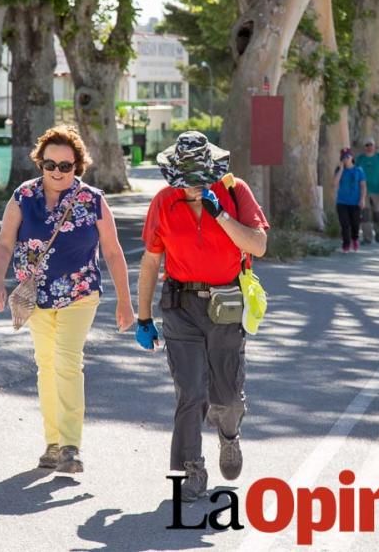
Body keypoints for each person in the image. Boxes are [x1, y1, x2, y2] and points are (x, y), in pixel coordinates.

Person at [0, 125, 135, 474]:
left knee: (67, 362)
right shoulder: (24, 196)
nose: (57, 171)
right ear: (40, 163)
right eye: (50, 163)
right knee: (46, 366)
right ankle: (52, 444)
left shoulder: (93, 200)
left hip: (79, 294)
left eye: (65, 166)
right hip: (35, 297)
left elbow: (113, 253)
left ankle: (70, 446)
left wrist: (125, 302)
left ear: (77, 166)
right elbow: (5, 242)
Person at [134, 132, 269, 502]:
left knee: (226, 398)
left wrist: (219, 213)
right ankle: (192, 469)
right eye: (184, 180)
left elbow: (257, 244)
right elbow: (150, 261)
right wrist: (142, 317)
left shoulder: (234, 190)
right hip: (180, 306)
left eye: (198, 179)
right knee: (190, 392)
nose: (192, 187)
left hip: (225, 303)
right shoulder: (164, 202)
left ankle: (229, 434)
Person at [354, 137, 379, 244]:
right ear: (364, 147)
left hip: (377, 190)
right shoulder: (360, 159)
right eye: (367, 145)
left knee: (377, 214)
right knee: (365, 215)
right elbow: (355, 173)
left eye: (371, 145)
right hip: (363, 191)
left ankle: (377, 230)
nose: (369, 147)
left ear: (374, 146)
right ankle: (367, 238)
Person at [333, 147, 366, 252]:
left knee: (355, 223)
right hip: (342, 202)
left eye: (347, 156)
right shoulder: (339, 170)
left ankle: (355, 239)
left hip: (355, 202)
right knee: (344, 224)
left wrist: (362, 199)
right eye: (343, 157)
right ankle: (346, 243)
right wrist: (341, 169)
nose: (346, 159)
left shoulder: (359, 170)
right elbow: (334, 184)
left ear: (352, 157)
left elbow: (363, 186)